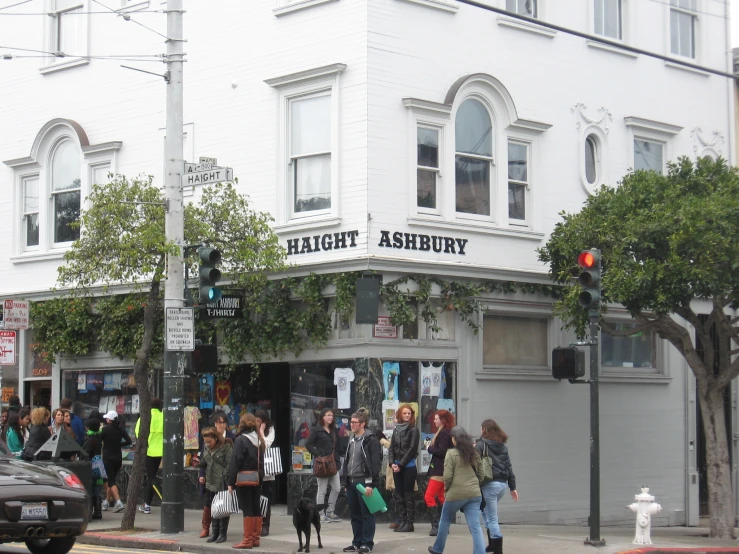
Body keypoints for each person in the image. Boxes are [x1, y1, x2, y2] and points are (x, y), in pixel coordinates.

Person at [428, 426, 486, 554]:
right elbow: (482, 474)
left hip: (455, 494)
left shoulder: (451, 453)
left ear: (454, 439)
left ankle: (438, 549)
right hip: (474, 494)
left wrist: (447, 490)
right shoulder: (474, 452)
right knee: (475, 526)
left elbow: (447, 476)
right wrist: (475, 485)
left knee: (444, 521)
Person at [341, 409, 381, 554]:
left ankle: (367, 543)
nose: (351, 424)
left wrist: (370, 483)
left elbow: (375, 464)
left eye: (354, 422)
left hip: (364, 482)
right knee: (355, 514)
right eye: (351, 422)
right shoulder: (351, 439)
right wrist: (345, 482)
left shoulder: (371, 440)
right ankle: (356, 542)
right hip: (351, 482)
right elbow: (347, 461)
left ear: (362, 424)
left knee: (367, 514)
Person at [477, 419, 518, 554]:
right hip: (501, 485)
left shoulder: (481, 444)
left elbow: (474, 462)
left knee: (492, 518)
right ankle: (492, 545)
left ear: (484, 430)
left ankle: (498, 549)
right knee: (486, 512)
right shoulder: (502, 447)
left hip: (489, 485)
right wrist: (513, 487)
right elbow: (509, 467)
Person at [227, 413, 265, 549]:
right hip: (257, 477)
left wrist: (230, 482)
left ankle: (247, 540)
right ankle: (255, 539)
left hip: (243, 478)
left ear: (242, 424)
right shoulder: (259, 439)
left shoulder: (241, 440)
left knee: (247, 508)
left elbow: (235, 462)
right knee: (256, 507)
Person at [306, 408, 342, 524]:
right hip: (322, 464)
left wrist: (338, 462)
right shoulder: (316, 430)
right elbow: (308, 445)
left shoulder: (333, 430)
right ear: (322, 417)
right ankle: (320, 514)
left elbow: (336, 448)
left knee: (337, 488)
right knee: (322, 490)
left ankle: (330, 511)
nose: (330, 417)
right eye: (328, 415)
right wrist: (318, 455)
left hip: (333, 464)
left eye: (332, 415)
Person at [389, 403, 420, 533]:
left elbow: (412, 449)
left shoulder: (414, 430)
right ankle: (402, 521)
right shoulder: (396, 429)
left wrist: (400, 464)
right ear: (400, 415)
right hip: (396, 466)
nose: (407, 415)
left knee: (408, 495)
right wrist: (392, 464)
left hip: (408, 466)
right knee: (399, 495)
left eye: (409, 413)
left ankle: (409, 523)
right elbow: (391, 448)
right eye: (405, 413)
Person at [199, 426, 233, 543]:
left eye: (210, 441)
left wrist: (226, 477)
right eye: (205, 442)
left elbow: (230, 463)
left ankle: (223, 534)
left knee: (222, 508)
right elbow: (205, 462)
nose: (208, 444)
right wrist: (200, 467)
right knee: (214, 508)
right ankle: (215, 532)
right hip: (211, 481)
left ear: (216, 438)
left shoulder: (226, 447)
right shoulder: (206, 448)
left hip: (222, 482)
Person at [425, 409, 455, 536]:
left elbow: (442, 451)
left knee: (429, 496)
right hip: (443, 469)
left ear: (443, 420)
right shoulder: (446, 432)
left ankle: (436, 526)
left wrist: (429, 448)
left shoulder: (444, 433)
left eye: (436, 418)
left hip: (439, 470)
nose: (434, 421)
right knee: (442, 497)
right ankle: (444, 526)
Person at [135, 397, 164, 515]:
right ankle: (146, 505)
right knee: (151, 478)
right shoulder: (164, 417)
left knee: (152, 477)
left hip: (149, 451)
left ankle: (166, 499)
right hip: (161, 451)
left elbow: (138, 433)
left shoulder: (145, 417)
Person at [100, 410, 131, 513]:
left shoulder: (104, 429)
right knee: (111, 480)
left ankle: (118, 502)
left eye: (107, 418)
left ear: (109, 419)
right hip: (118, 457)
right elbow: (129, 441)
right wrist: (119, 444)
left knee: (111, 481)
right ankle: (106, 502)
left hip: (108, 457)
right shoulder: (120, 430)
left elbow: (99, 440)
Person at [255, 409, 276, 536]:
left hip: (267, 469)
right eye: (255, 420)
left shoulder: (270, 430)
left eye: (259, 421)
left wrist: (262, 432)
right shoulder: (251, 430)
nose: (256, 423)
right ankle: (256, 524)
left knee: (266, 498)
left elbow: (266, 445)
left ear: (264, 422)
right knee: (255, 498)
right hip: (254, 468)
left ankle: (265, 525)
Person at [82, 418, 104, 520]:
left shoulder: (90, 440)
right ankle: (98, 511)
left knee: (90, 488)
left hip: (91, 465)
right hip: (99, 464)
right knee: (97, 489)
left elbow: (86, 453)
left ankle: (90, 511)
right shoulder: (99, 438)